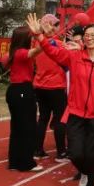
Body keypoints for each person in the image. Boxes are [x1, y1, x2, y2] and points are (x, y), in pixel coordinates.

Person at [27, 14, 94, 186]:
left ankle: (91, 184)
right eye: (87, 35)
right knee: (75, 152)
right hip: (76, 113)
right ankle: (85, 172)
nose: (89, 38)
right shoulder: (74, 57)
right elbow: (53, 52)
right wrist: (40, 36)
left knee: (93, 153)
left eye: (93, 35)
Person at [2, 26, 42, 172]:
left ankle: (15, 161)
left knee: (17, 127)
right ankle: (26, 162)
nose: (32, 39)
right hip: (23, 91)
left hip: (14, 91)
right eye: (30, 37)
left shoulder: (11, 54)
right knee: (28, 127)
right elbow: (38, 50)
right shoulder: (21, 53)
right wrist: (40, 36)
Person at [33, 14, 69, 162]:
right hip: (56, 86)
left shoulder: (36, 44)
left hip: (40, 85)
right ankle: (61, 152)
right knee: (60, 119)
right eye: (53, 25)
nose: (56, 28)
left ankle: (38, 149)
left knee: (43, 118)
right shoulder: (59, 45)